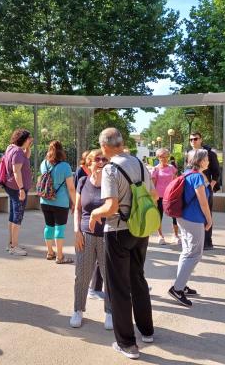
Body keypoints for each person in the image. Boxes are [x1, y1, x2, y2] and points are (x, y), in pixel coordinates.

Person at [89, 128, 156, 360]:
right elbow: (154, 195)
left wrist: (95, 213)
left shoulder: (110, 169)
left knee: (118, 287)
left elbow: (111, 207)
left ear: (104, 146)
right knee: (138, 278)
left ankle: (127, 343)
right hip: (141, 228)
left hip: (118, 231)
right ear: (122, 142)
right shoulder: (139, 163)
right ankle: (147, 331)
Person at [70, 149, 112, 329]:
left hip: (107, 235)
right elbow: (78, 209)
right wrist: (77, 231)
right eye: (97, 159)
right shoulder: (82, 181)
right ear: (89, 163)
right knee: (81, 275)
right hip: (85, 234)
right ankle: (78, 310)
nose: (101, 162)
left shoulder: (112, 183)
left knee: (109, 276)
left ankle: (110, 312)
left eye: (105, 159)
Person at [168, 149, 212, 307]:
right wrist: (209, 219)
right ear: (200, 161)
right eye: (206, 158)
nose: (208, 161)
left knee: (187, 252)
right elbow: (203, 202)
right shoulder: (197, 177)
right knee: (194, 254)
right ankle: (177, 289)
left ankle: (181, 284)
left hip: (183, 217)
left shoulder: (187, 173)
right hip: (194, 219)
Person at [39, 140, 75, 264]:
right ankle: (60, 257)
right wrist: (75, 203)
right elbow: (71, 188)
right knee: (60, 227)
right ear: (61, 150)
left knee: (48, 226)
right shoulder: (65, 166)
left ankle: (50, 252)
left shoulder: (43, 163)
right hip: (60, 202)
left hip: (45, 200)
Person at [2, 129, 33, 256]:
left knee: (13, 215)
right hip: (17, 188)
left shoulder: (11, 148)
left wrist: (28, 147)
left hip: (11, 187)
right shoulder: (18, 152)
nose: (31, 140)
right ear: (23, 139)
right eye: (29, 138)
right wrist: (21, 189)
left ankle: (11, 243)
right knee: (18, 216)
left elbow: (27, 156)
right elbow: (16, 171)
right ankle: (14, 247)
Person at [189, 132, 220, 250]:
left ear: (201, 139)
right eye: (191, 139)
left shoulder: (209, 153)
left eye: (195, 139)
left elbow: (216, 172)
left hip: (205, 187)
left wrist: (210, 186)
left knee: (206, 213)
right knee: (195, 212)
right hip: (193, 188)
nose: (193, 141)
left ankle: (207, 242)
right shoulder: (189, 153)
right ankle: (196, 240)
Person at [151, 148, 179, 245]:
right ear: (158, 157)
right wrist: (153, 198)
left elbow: (175, 181)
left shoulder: (172, 168)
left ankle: (175, 235)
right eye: (162, 157)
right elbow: (153, 185)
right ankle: (160, 235)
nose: (165, 158)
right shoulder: (155, 169)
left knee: (175, 216)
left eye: (167, 156)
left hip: (171, 196)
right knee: (159, 216)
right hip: (159, 197)